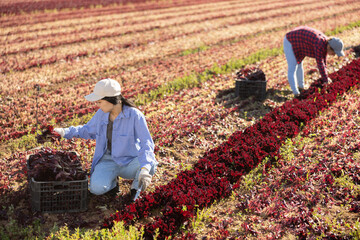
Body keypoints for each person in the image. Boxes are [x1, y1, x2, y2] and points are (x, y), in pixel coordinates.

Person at [54, 78, 158, 202]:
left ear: (111, 100)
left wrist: (145, 169)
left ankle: (135, 189)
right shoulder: (101, 114)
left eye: (100, 101)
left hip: (130, 161)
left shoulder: (134, 115)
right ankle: (113, 183)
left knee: (150, 165)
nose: (98, 105)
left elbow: (147, 143)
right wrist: (64, 132)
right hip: (108, 160)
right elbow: (87, 130)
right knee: (96, 189)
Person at [283, 26, 345, 97]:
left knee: (299, 65)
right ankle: (296, 93)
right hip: (291, 40)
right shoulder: (319, 43)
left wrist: (326, 77)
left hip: (300, 42)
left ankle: (301, 87)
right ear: (329, 47)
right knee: (292, 67)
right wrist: (326, 80)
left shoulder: (325, 43)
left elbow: (323, 63)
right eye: (334, 53)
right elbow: (320, 64)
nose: (334, 55)